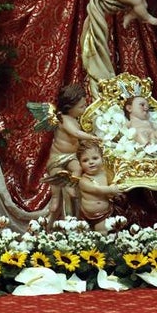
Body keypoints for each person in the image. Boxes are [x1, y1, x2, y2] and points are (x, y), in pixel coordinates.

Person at [41, 84, 101, 217]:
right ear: (69, 107)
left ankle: (71, 186)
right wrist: (92, 137)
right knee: (55, 177)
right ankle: (55, 198)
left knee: (78, 167)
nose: (85, 108)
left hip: (72, 156)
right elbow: (76, 134)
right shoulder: (64, 119)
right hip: (58, 158)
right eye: (81, 106)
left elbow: (79, 140)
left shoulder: (75, 120)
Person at [75, 140, 125, 231]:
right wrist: (111, 190)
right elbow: (97, 189)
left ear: (102, 158)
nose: (91, 162)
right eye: (85, 160)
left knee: (106, 230)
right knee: (94, 232)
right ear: (80, 164)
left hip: (106, 212)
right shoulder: (84, 181)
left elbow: (113, 182)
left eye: (95, 158)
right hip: (90, 215)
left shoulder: (105, 174)